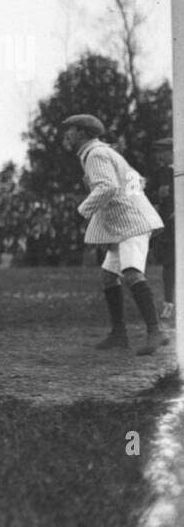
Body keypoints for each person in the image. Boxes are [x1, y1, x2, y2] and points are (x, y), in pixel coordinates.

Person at [62, 114, 166, 355]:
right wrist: (132, 201)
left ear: (85, 134)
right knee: (109, 275)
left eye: (71, 130)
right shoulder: (103, 152)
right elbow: (137, 180)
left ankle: (156, 332)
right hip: (128, 222)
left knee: (130, 272)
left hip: (132, 224)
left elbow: (108, 187)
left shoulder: (96, 154)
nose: (66, 134)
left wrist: (82, 212)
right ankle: (119, 335)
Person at [148, 136, 175, 322]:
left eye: (162, 151)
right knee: (169, 263)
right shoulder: (159, 173)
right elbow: (147, 194)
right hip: (167, 225)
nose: (159, 155)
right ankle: (169, 304)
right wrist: (157, 195)